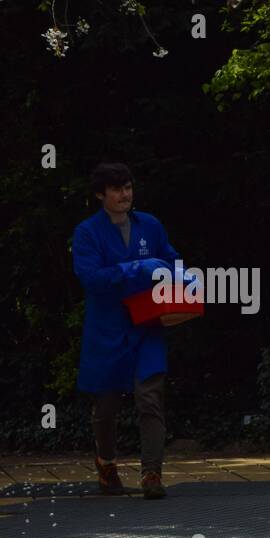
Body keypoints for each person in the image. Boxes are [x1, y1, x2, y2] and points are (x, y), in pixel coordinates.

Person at [72, 163, 185, 499]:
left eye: (128, 187)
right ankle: (106, 465)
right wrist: (136, 267)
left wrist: (182, 275)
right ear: (100, 195)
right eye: (117, 189)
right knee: (105, 404)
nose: (125, 195)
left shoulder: (149, 225)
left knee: (150, 397)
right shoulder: (87, 233)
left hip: (147, 325)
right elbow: (91, 278)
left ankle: (152, 473)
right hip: (107, 328)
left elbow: (172, 258)